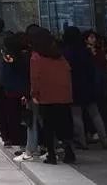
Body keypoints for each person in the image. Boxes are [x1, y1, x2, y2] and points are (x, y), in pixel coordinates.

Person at [30, 28, 75, 165]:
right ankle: (69, 152)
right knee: (65, 125)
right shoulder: (59, 55)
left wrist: (35, 94)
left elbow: (35, 78)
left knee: (48, 126)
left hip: (46, 96)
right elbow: (68, 72)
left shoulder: (36, 57)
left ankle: (51, 155)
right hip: (64, 96)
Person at [62, 26, 107, 149]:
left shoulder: (65, 52)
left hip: (74, 87)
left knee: (76, 115)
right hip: (88, 85)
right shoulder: (85, 51)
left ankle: (82, 141)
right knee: (95, 114)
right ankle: (105, 139)